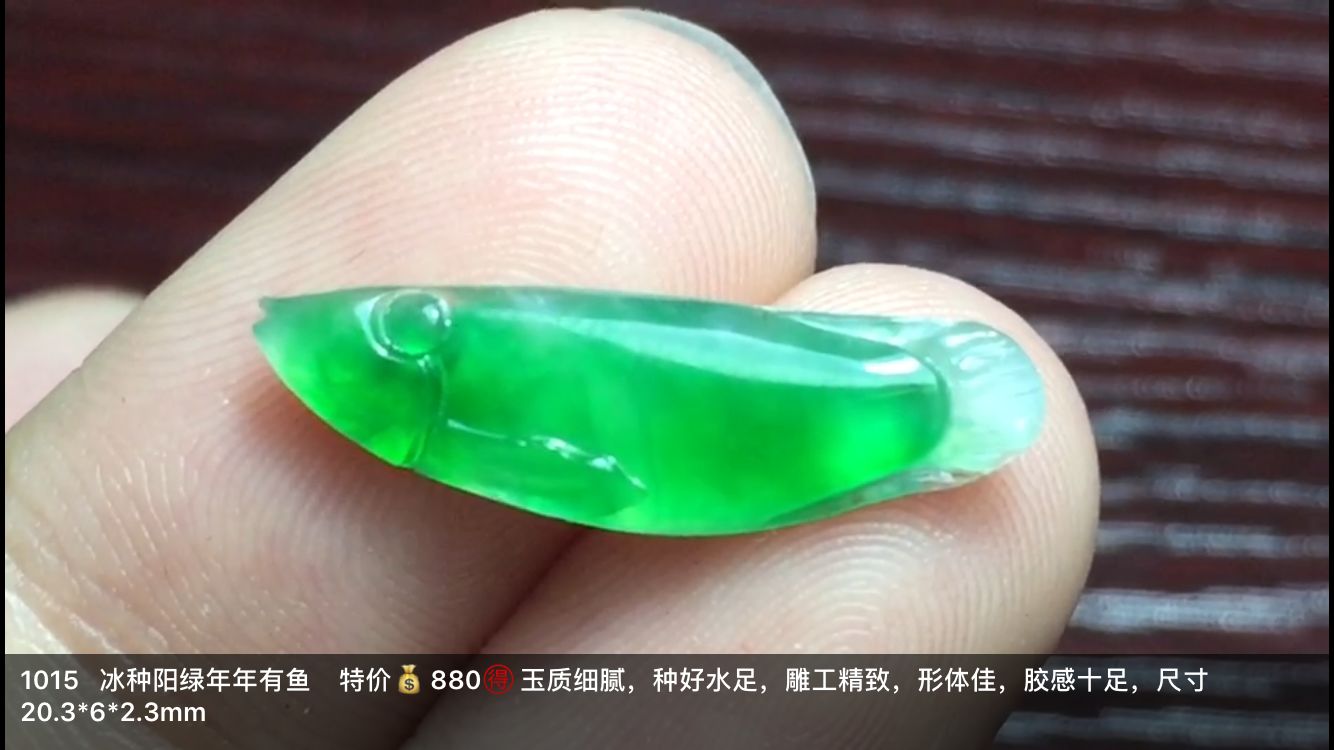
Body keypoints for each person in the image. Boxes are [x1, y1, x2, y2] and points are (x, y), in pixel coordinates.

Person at [4, 9, 1099, 746]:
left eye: (409, 322)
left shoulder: (450, 363)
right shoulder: (404, 383)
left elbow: (588, 473)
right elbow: (584, 476)